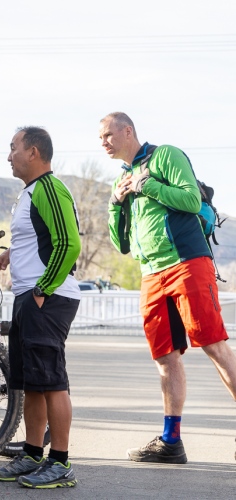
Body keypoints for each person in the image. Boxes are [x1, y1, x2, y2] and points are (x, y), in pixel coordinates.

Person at [99, 111, 236, 464]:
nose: (103, 142)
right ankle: (170, 442)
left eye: (107, 135)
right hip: (151, 274)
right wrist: (116, 205)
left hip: (188, 263)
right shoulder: (123, 178)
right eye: (100, 138)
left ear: (127, 131)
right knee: (165, 358)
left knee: (215, 347)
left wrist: (148, 185)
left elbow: (191, 201)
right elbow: (121, 245)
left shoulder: (166, 156)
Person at [0, 126, 82, 489]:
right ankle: (31, 454)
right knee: (32, 384)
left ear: (34, 152)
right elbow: (42, 238)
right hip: (29, 295)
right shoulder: (30, 193)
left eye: (13, 148)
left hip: (49, 296)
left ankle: (60, 462)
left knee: (52, 382)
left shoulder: (49, 188)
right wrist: (10, 254)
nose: (8, 155)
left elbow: (68, 244)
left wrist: (43, 288)